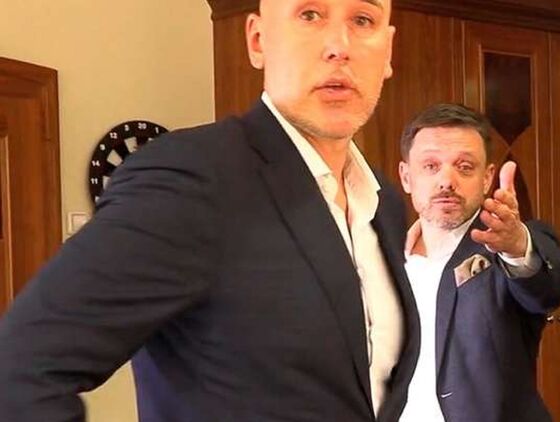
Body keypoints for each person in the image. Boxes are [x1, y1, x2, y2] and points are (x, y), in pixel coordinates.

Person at [0, 1, 420, 421]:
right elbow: (18, 373)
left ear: (387, 50)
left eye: (362, 19)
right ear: (258, 41)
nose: (339, 46)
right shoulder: (193, 178)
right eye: (310, 15)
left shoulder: (382, 202)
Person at [396, 104, 560, 422]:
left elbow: (550, 287)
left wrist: (517, 246)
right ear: (406, 177)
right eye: (431, 166)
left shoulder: (504, 248)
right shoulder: (381, 257)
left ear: (487, 178)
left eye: (464, 167)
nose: (446, 180)